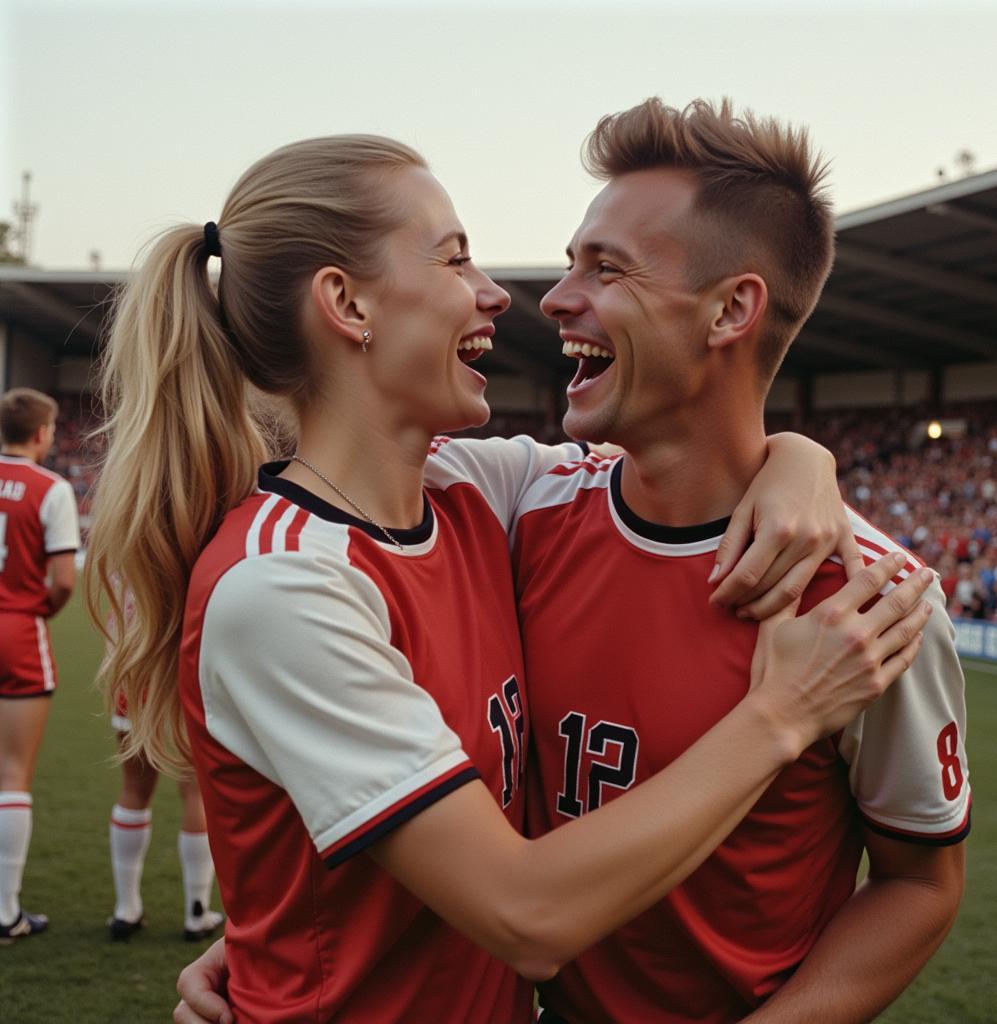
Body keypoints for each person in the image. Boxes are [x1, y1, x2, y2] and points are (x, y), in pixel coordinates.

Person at [86, 134, 932, 1023]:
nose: (498, 292)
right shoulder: (282, 585)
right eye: (455, 258)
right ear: (345, 302)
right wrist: (784, 714)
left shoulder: (477, 498)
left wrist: (802, 460)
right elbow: (526, 915)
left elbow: (686, 456)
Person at [507, 98, 968, 1023]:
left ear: (731, 310)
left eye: (606, 268)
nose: (556, 298)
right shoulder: (518, 509)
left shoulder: (869, 598)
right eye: (568, 264)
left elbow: (921, 883)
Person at [0, 388, 79, 943]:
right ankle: (5, 912)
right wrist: (38, 612)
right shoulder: (51, 489)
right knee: (12, 775)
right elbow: (64, 581)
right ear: (41, 433)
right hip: (18, 634)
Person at [108, 689, 225, 942]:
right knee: (196, 793)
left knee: (134, 789)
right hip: (188, 676)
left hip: (136, 675)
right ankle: (197, 914)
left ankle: (126, 910)